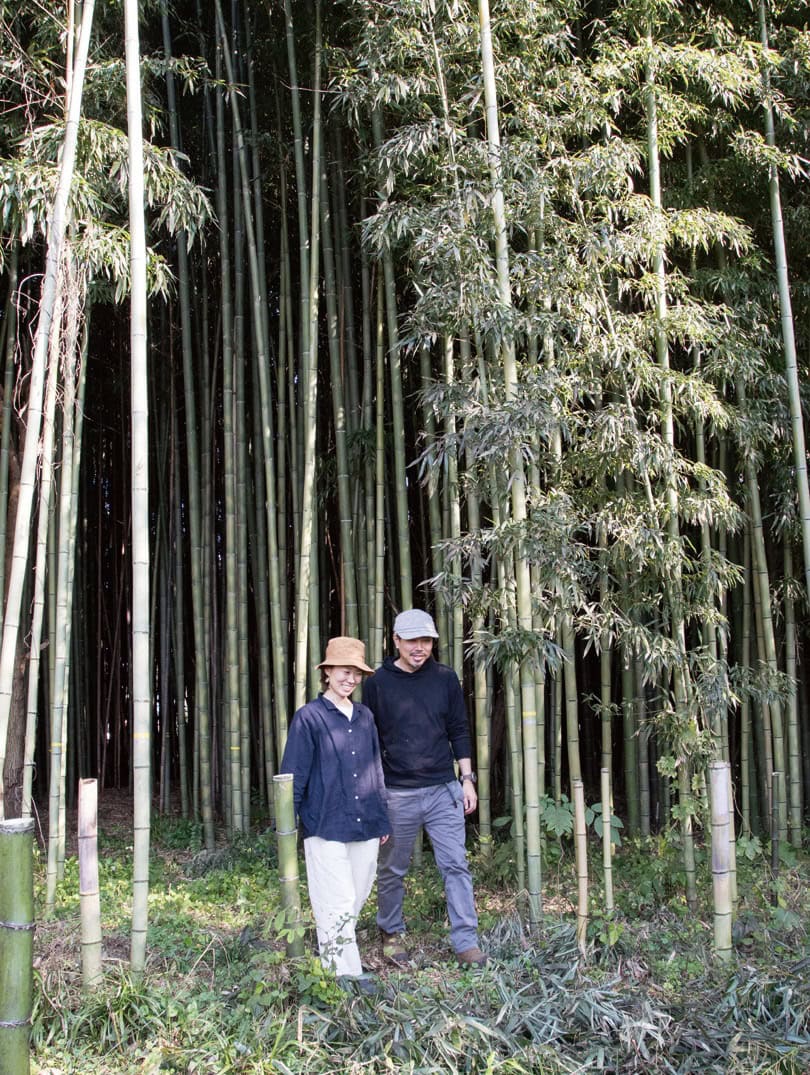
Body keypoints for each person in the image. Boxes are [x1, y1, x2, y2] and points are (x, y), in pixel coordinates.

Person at [362, 608, 486, 968]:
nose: (420, 647)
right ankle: (391, 933)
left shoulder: (445, 679)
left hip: (442, 790)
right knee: (392, 869)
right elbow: (370, 741)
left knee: (456, 865)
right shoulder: (376, 684)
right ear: (396, 641)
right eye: (412, 640)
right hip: (396, 793)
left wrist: (467, 780)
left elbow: (459, 730)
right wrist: (374, 795)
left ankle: (466, 941)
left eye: (426, 640)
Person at [280, 636, 390, 990]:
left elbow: (376, 768)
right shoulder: (309, 718)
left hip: (366, 821)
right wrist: (286, 825)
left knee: (355, 897)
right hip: (325, 822)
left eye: (356, 673)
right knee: (336, 900)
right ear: (327, 672)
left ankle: (332, 962)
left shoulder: (364, 716)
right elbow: (293, 774)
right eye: (344, 671)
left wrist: (382, 815)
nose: (351, 679)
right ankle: (346, 976)